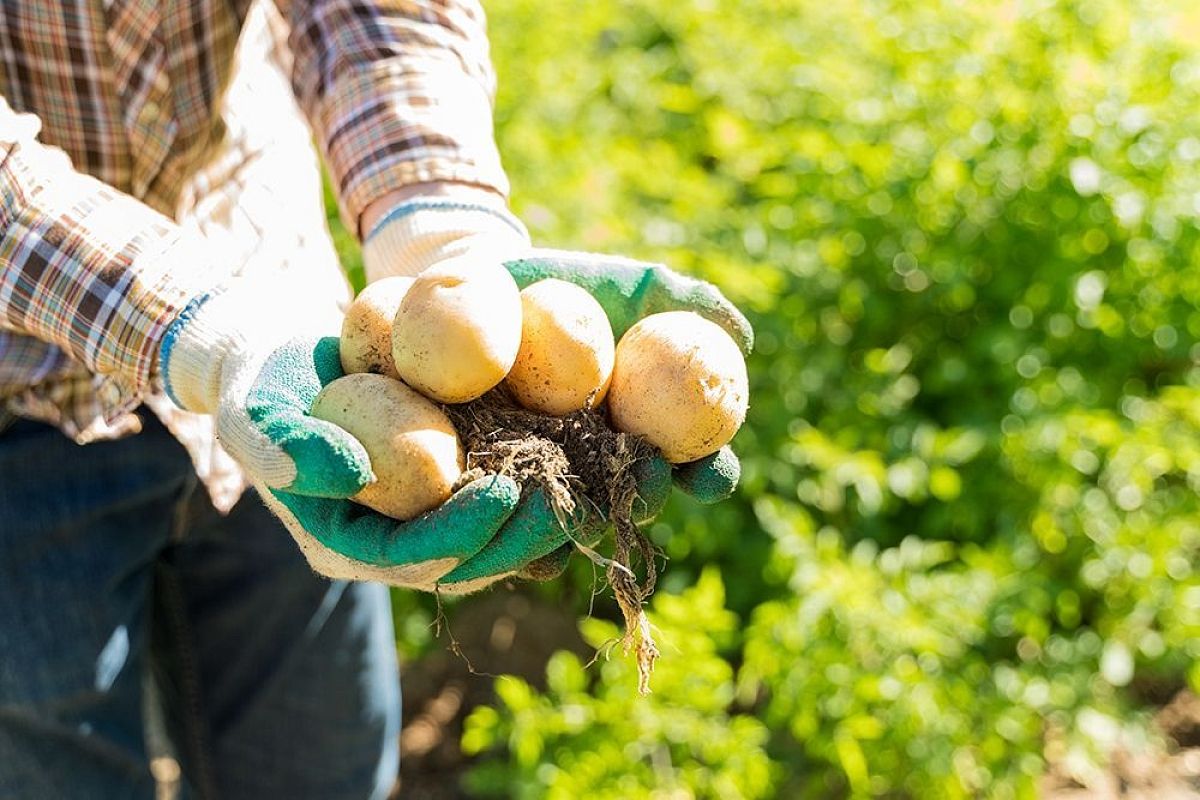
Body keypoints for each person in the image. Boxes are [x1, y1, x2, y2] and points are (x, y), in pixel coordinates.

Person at [0, 1, 752, 797]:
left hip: (291, 361)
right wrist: (197, 329)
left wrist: (437, 222)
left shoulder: (336, 392)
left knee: (321, 769)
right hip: (23, 401)